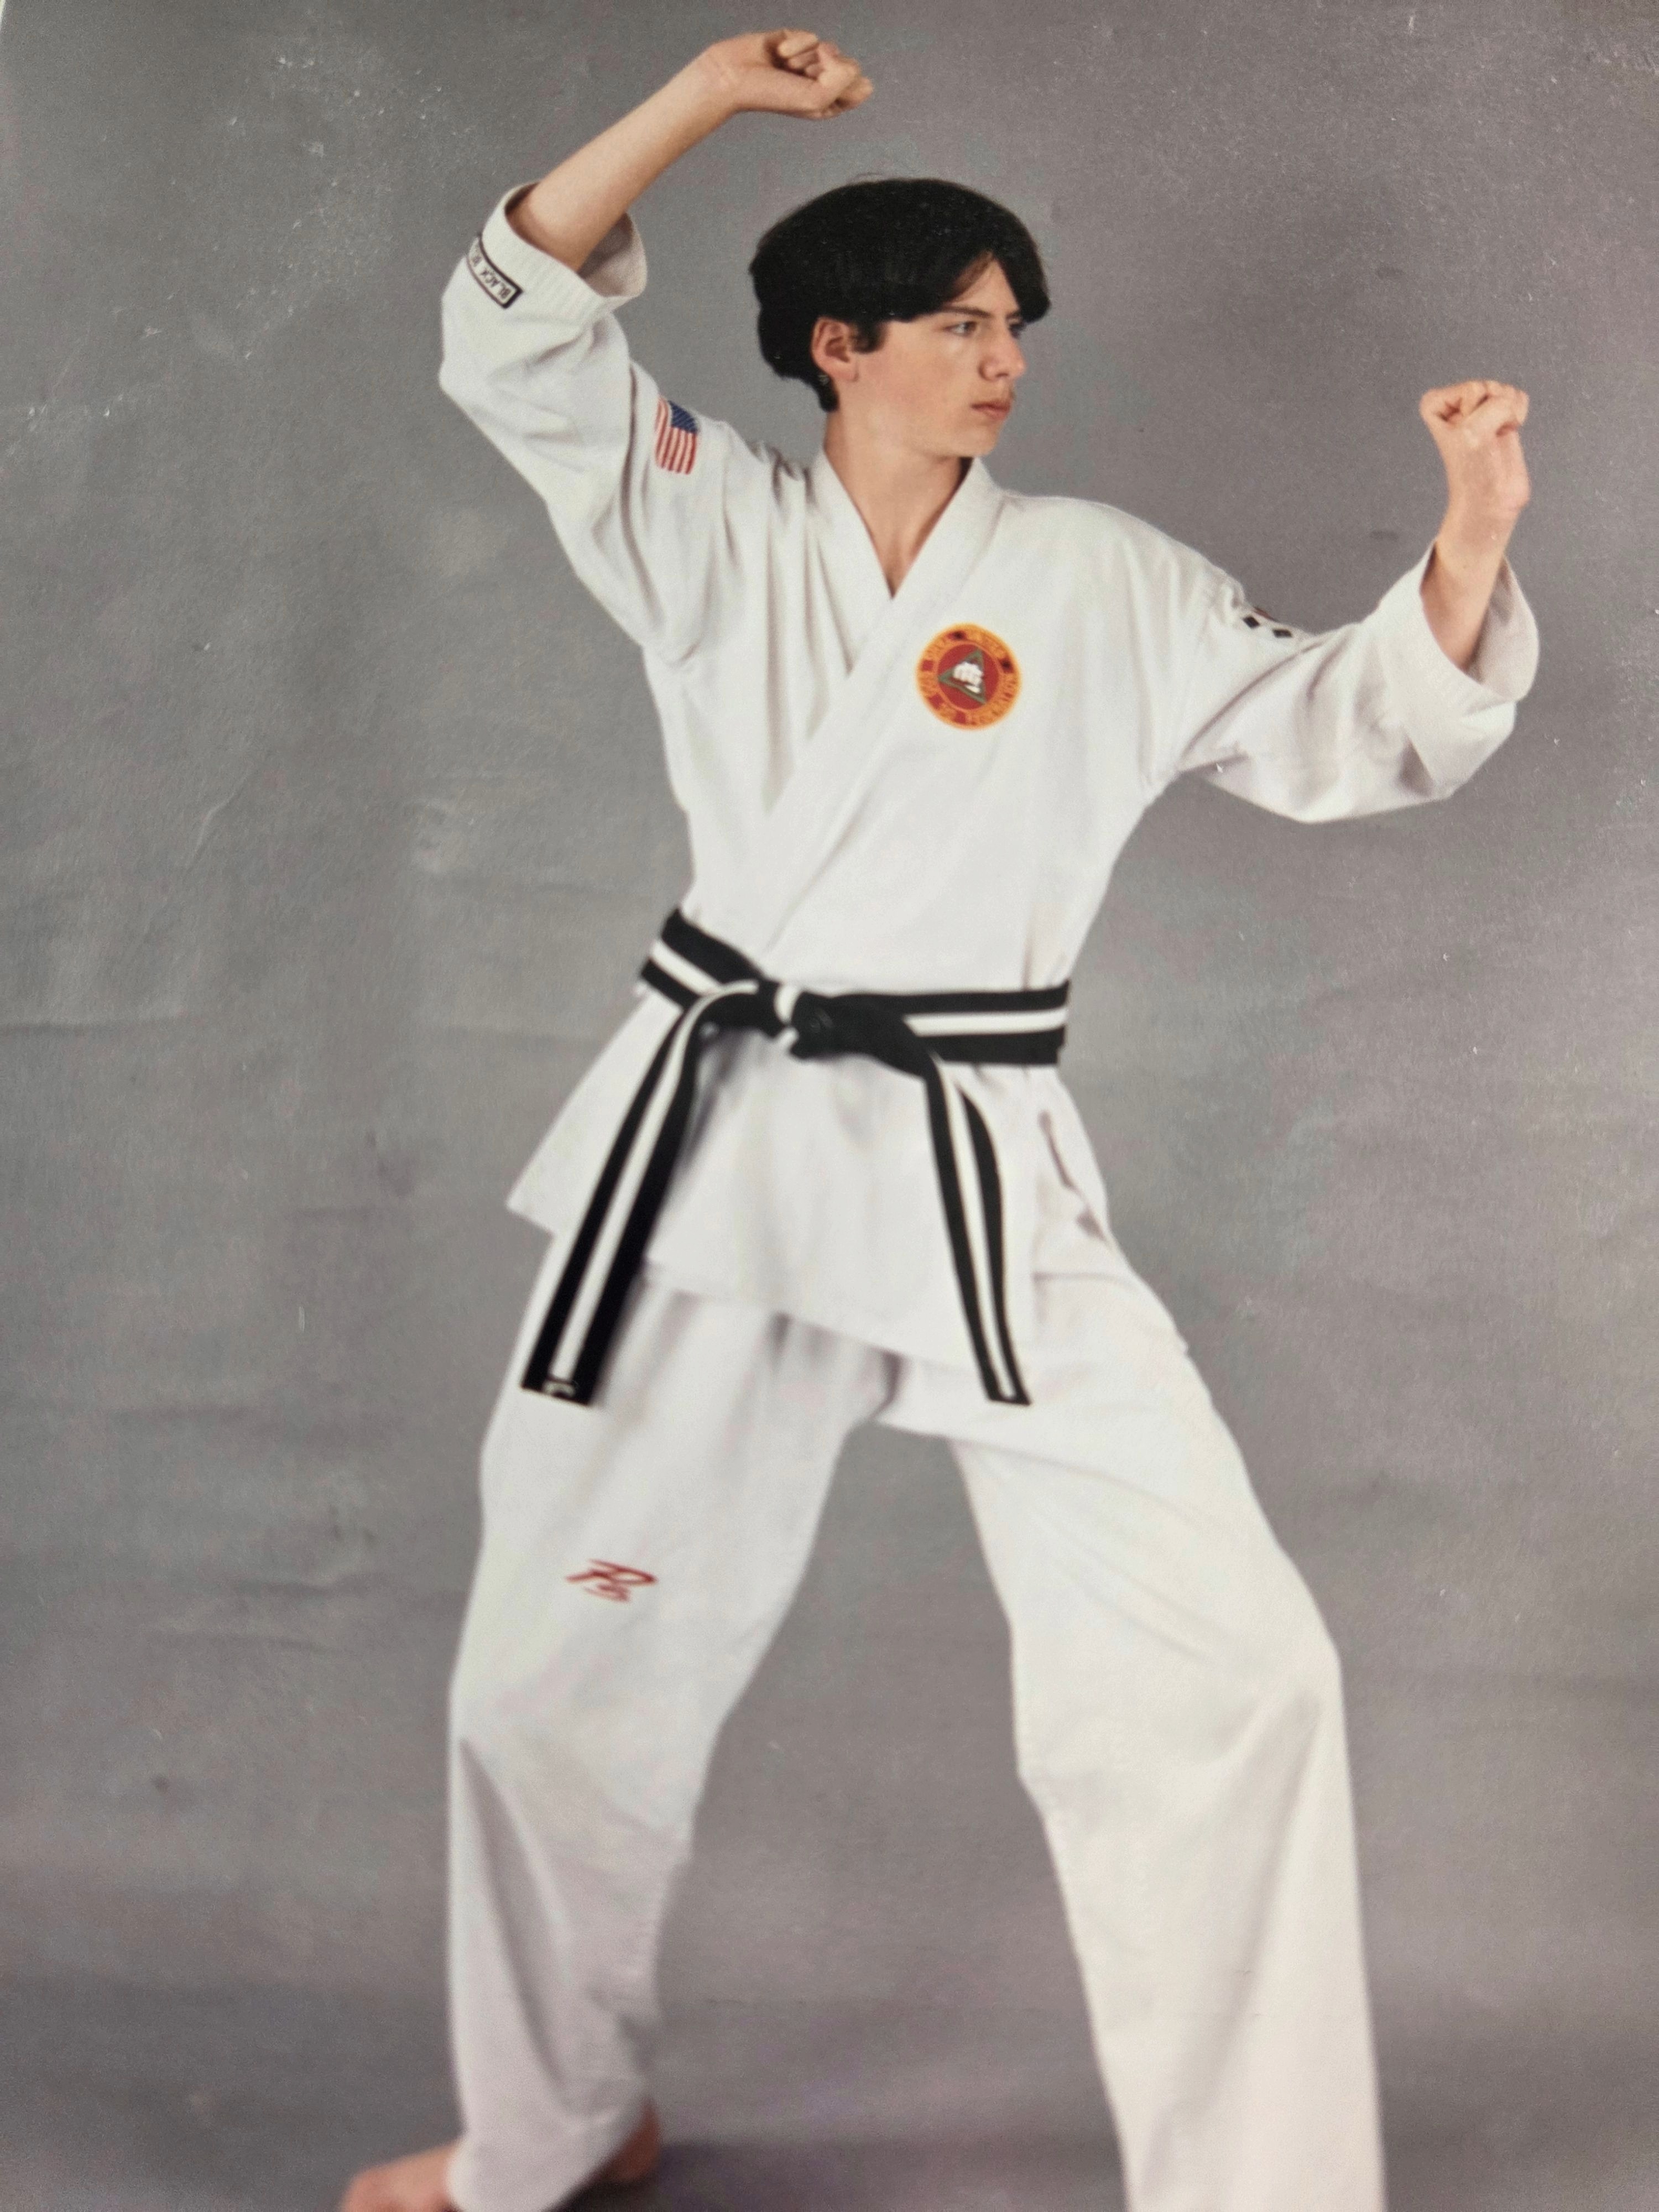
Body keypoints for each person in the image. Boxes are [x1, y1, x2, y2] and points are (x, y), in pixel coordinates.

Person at [341, 26, 1537, 2212]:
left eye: (1016, 330)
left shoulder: (1099, 579)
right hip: (712, 1175)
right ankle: (556, 2122)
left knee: (1229, 1675)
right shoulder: (705, 521)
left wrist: (1465, 545)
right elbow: (508, 326)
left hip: (981, 1185)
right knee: (564, 1661)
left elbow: (1349, 722)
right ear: (840, 345)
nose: (1006, 363)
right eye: (964, 326)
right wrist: (703, 99)